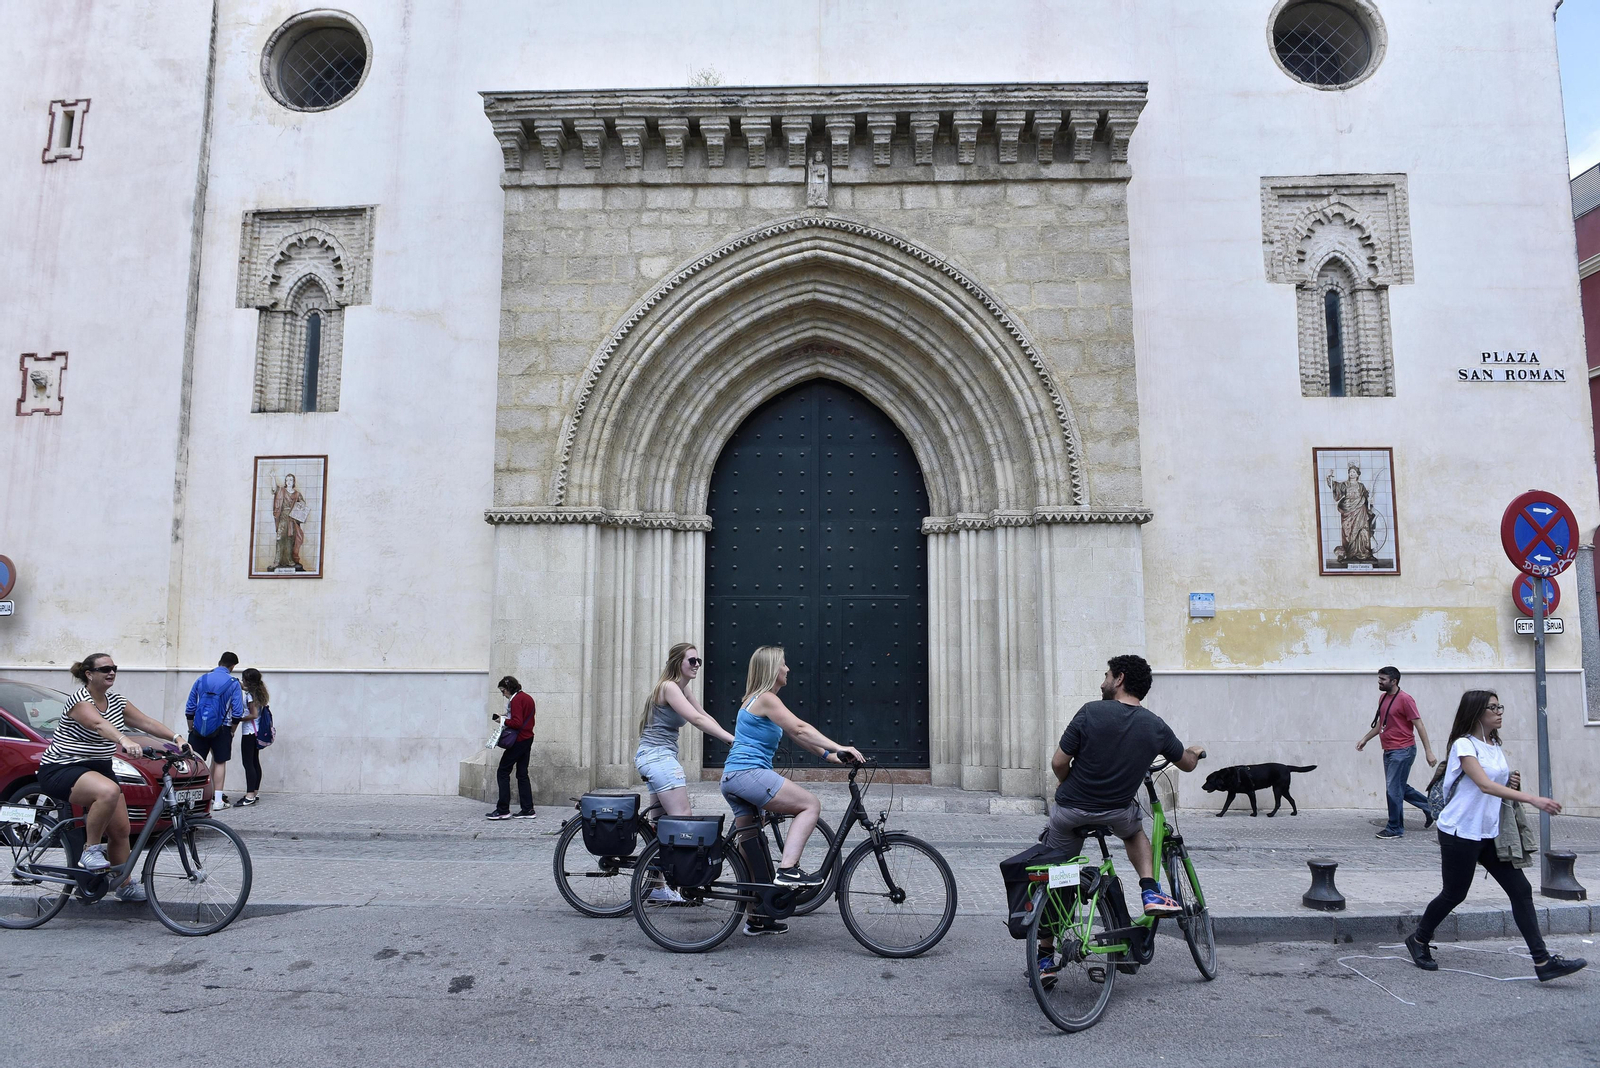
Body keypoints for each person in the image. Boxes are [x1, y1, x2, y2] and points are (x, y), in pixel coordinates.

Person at [1033, 654, 1205, 979]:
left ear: (1120, 679)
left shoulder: (1089, 712)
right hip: (1116, 812)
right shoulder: (1154, 725)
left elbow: (1058, 763)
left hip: (1070, 811)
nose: (1103, 681)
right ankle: (1150, 890)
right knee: (1135, 832)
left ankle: (1043, 957)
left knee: (1058, 876)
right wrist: (1194, 752)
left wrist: (1069, 787)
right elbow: (1185, 763)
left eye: (1107, 675)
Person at [1403, 690, 1586, 982]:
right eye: (1492, 707)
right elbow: (1485, 785)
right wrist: (1533, 799)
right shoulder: (1464, 745)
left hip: (1488, 833)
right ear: (1477, 713)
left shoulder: (1493, 744)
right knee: (1454, 894)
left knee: (1521, 890)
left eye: (1499, 706)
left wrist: (1511, 780)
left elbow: (1495, 782)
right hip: (1460, 832)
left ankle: (1543, 962)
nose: (1499, 711)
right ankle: (1419, 939)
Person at [720, 645, 863, 936]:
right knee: (809, 805)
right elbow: (799, 728)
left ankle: (758, 917)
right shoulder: (766, 699)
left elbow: (800, 738)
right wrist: (840, 745)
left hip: (735, 777)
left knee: (751, 847)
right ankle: (788, 870)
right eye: (784, 664)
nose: (788, 669)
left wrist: (830, 756)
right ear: (773, 669)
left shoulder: (756, 700)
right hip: (747, 774)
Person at [38, 653, 191, 903]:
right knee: (107, 791)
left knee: (121, 831)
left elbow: (146, 722)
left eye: (114, 668)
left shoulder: (117, 702)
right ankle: (90, 851)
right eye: (105, 669)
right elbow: (98, 724)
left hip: (98, 768)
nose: (111, 672)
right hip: (62, 768)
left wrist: (177, 739)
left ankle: (124, 885)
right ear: (89, 674)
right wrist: (124, 739)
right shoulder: (80, 701)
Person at [635, 642, 736, 817]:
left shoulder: (682, 688)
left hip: (655, 756)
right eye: (692, 660)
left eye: (698, 660)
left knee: (659, 821)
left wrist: (729, 738)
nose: (697, 664)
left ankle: (654, 842)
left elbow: (703, 715)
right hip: (658, 757)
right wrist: (732, 740)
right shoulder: (669, 687)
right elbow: (696, 720)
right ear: (677, 662)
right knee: (682, 816)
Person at [1355, 666, 1437, 839]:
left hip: (1403, 750)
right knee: (1399, 787)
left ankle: (1395, 828)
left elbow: (1419, 725)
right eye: (1379, 679)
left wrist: (1428, 752)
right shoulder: (1383, 698)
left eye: (1383, 679)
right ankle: (1430, 807)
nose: (1379, 682)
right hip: (1389, 750)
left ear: (1394, 681)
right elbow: (1381, 724)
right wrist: (1365, 738)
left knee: (1393, 790)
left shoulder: (1406, 700)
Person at [185, 652, 244, 809]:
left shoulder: (201, 679)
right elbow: (238, 711)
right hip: (222, 728)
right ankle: (217, 800)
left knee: (195, 762)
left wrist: (191, 727)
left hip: (198, 727)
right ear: (232, 666)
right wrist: (232, 730)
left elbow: (190, 706)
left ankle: (191, 800)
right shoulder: (233, 683)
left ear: (219, 662)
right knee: (219, 762)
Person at [486, 676, 537, 820]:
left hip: (519, 740)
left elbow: (517, 723)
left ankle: (503, 809)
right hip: (528, 738)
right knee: (522, 774)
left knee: (503, 771)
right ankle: (528, 809)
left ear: (509, 688)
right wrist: (506, 716)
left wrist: (501, 720)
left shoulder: (516, 700)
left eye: (503, 691)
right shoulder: (527, 697)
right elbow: (523, 717)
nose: (503, 694)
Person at [236, 668, 269, 807]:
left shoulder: (250, 695)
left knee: (248, 763)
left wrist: (238, 718)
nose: (242, 681)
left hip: (249, 732)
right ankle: (254, 791)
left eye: (243, 679)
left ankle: (249, 795)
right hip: (256, 733)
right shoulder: (259, 691)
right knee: (255, 762)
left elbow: (253, 714)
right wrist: (239, 685)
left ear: (248, 680)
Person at [272, 473, 308, 571]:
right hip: (283, 517)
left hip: (292, 519)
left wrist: (301, 505)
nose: (289, 482)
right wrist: (273, 477)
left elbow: (303, 503)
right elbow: (274, 489)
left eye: (291, 480)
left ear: (293, 482)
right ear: (285, 482)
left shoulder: (297, 494)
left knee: (290, 540)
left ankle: (289, 560)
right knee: (280, 538)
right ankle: (277, 560)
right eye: (287, 480)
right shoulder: (281, 491)